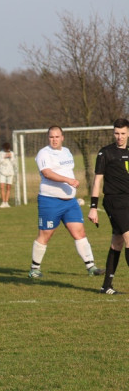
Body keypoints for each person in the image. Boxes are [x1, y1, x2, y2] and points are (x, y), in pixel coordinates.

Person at [28, 126, 102, 279]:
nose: (54, 140)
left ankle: (91, 266)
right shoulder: (44, 153)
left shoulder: (67, 151)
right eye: (51, 137)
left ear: (62, 137)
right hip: (50, 201)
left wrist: (71, 184)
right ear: (48, 138)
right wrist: (68, 180)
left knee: (80, 232)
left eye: (57, 137)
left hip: (70, 203)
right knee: (45, 235)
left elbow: (67, 170)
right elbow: (47, 173)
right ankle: (34, 269)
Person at [87, 118, 129, 294]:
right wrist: (93, 207)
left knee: (117, 243)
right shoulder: (105, 153)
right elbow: (97, 181)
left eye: (123, 133)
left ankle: (106, 286)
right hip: (114, 202)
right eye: (116, 133)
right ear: (113, 133)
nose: (119, 137)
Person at [0, 142, 16, 208]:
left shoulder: (12, 153)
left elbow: (14, 163)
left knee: (8, 187)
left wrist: (11, 157)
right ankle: (3, 202)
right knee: (2, 187)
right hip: (2, 172)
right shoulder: (0, 153)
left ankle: (6, 202)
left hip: (10, 172)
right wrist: (4, 157)